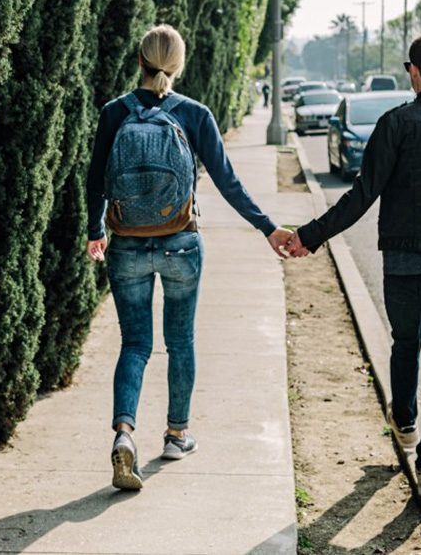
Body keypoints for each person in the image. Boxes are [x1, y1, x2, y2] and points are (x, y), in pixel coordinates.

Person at [286, 32, 421, 499]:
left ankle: (403, 422)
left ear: (413, 71)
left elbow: (363, 195)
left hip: (404, 260)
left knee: (406, 344)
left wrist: (309, 235)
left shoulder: (396, 124)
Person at [86, 24, 293, 491]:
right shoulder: (195, 114)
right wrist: (267, 227)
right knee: (180, 341)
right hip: (181, 243)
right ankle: (177, 434)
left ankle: (124, 434)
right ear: (178, 65)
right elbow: (227, 181)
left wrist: (95, 230)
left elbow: (95, 180)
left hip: (128, 246)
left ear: (139, 61)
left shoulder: (114, 113)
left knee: (135, 344)